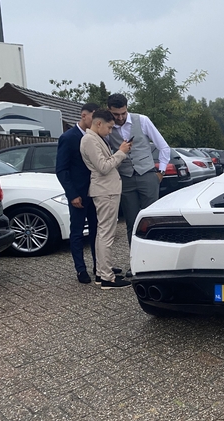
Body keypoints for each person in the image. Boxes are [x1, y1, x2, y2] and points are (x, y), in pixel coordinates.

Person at [106, 94, 170, 251]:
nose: (120, 117)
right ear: (109, 111)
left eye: (123, 113)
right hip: (125, 178)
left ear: (127, 108)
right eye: (116, 114)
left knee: (153, 220)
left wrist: (160, 172)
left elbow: (164, 147)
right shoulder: (107, 128)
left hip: (148, 175)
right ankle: (135, 260)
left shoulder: (142, 120)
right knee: (132, 223)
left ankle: (156, 258)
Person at [80, 109, 132, 289]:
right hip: (105, 191)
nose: (110, 131)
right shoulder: (89, 140)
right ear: (99, 123)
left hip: (106, 190)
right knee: (106, 234)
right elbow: (103, 167)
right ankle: (107, 278)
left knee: (103, 233)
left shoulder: (95, 138)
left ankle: (103, 273)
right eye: (109, 128)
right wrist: (121, 152)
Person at [56, 103, 99, 284]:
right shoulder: (68, 137)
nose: (97, 122)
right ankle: (81, 269)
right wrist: (72, 194)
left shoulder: (96, 137)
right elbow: (62, 169)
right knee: (77, 232)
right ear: (84, 116)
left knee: (98, 231)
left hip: (96, 192)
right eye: (94, 118)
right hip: (78, 195)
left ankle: (99, 266)